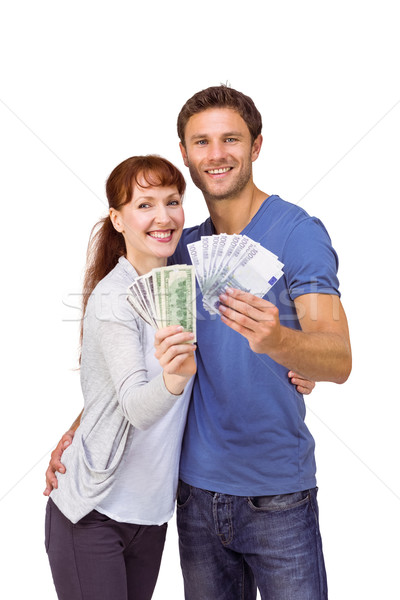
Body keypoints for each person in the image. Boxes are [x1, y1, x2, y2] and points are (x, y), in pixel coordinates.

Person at [46, 85, 349, 600]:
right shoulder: (178, 250)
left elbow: (338, 359)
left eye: (230, 139)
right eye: (201, 142)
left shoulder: (298, 234)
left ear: (255, 146)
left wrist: (281, 342)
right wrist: (80, 427)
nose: (216, 154)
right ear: (185, 154)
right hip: (193, 496)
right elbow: (131, 367)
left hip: (277, 494)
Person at [44, 155, 198, 600]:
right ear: (118, 219)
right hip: (93, 512)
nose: (164, 217)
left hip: (150, 516)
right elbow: (133, 406)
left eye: (173, 201)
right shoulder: (114, 298)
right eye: (145, 205)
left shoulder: (182, 286)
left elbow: (105, 395)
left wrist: (297, 371)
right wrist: (175, 378)